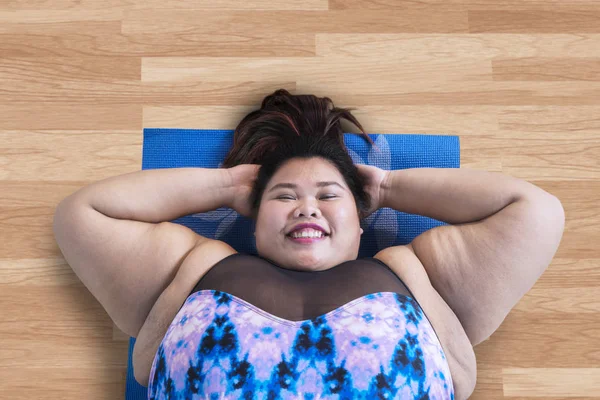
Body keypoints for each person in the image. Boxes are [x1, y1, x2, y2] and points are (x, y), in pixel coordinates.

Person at [52, 89, 565, 400]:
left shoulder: (420, 274)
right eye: (283, 196)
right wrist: (230, 186)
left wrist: (385, 188)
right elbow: (83, 215)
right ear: (253, 220)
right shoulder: (190, 266)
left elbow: (534, 211)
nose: (306, 207)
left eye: (327, 195)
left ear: (361, 221)